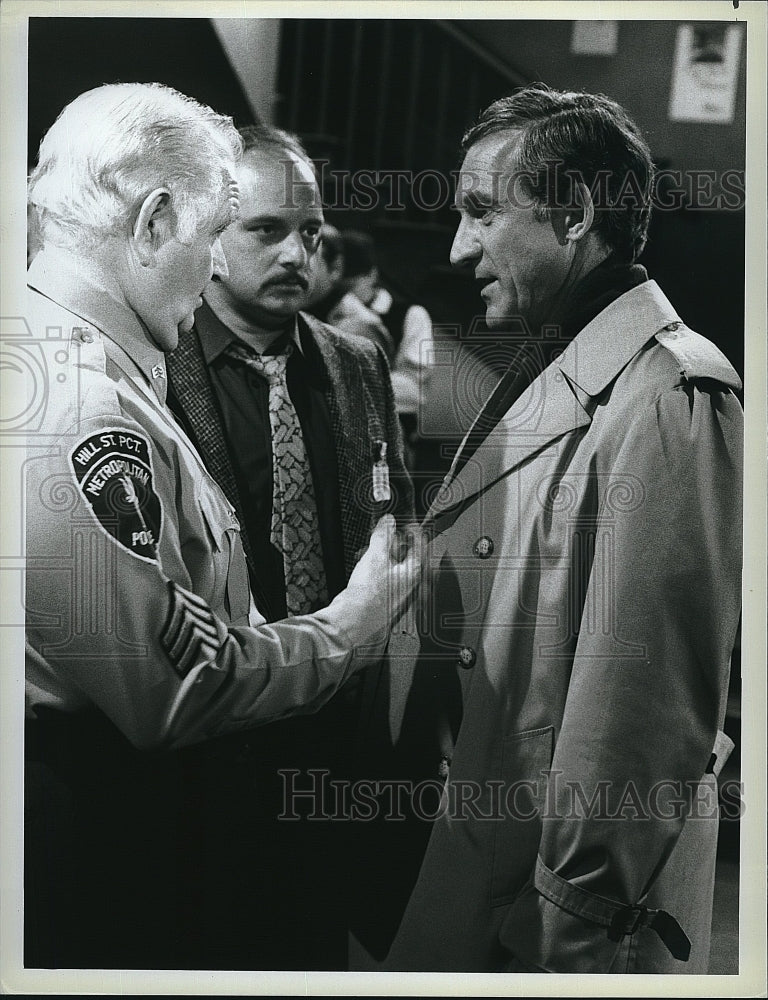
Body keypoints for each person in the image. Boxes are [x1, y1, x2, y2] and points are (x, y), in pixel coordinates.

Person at [23, 82, 418, 971]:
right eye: (215, 237)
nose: (210, 273)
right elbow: (178, 689)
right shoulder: (85, 404)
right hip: (101, 817)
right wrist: (347, 631)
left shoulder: (75, 362)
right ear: (157, 221)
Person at [364, 85, 743, 974]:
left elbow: (639, 728)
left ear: (573, 213)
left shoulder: (672, 400)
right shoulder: (563, 353)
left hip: (544, 926)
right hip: (481, 866)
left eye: (483, 212)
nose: (459, 247)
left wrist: (567, 942)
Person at [164, 122, 434, 970]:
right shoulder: (153, 367)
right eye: (267, 230)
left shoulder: (355, 362)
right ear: (209, 235)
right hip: (206, 754)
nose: (298, 255)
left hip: (334, 753)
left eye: (310, 233)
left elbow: (393, 524)